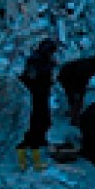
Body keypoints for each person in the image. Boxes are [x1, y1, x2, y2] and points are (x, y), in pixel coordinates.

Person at [17, 39, 57, 172]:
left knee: (43, 122)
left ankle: (36, 145)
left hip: (42, 95)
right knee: (34, 125)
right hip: (34, 97)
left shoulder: (45, 60)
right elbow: (31, 77)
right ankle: (27, 160)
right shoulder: (35, 61)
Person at [56, 55, 95, 125]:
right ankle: (74, 118)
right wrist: (78, 91)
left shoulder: (89, 63)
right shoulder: (88, 67)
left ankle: (73, 112)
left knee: (76, 96)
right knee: (77, 98)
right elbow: (80, 79)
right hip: (67, 77)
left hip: (68, 75)